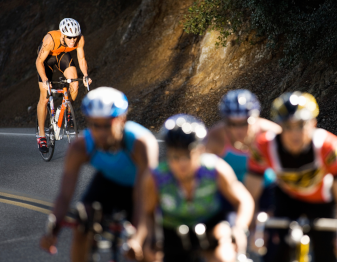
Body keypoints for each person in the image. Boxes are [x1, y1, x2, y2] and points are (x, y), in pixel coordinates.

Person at [39, 87, 158, 262]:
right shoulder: (80, 147)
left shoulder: (141, 144)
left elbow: (143, 196)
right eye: (95, 125)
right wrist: (53, 230)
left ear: (122, 119)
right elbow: (65, 195)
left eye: (107, 125)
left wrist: (137, 238)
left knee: (149, 248)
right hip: (109, 182)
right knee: (82, 221)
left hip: (142, 189)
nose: (101, 132)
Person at [248, 91, 337, 261]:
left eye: (301, 125)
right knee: (273, 254)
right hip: (286, 198)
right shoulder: (263, 147)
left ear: (313, 123)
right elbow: (250, 196)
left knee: (328, 254)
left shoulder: (329, 147)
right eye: (287, 126)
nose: (294, 134)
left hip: (322, 202)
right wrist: (255, 231)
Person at [137, 114, 255, 262]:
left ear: (199, 150)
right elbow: (147, 212)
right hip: (173, 230)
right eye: (175, 156)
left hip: (212, 224)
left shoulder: (216, 169)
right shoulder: (155, 177)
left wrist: (239, 228)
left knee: (223, 257)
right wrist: (149, 239)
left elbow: (243, 200)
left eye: (187, 155)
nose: (181, 163)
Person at [205, 89, 281, 205]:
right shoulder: (215, 137)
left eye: (244, 123)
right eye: (232, 123)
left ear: (255, 118)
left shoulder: (271, 133)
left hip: (267, 190)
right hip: (229, 194)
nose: (238, 130)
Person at [36, 18, 92, 153]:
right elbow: (39, 62)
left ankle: (65, 109)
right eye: (69, 38)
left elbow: (81, 58)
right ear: (62, 34)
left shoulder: (79, 39)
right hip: (46, 58)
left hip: (62, 56)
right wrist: (44, 80)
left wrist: (85, 75)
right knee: (44, 97)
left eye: (75, 37)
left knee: (74, 83)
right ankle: (42, 135)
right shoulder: (50, 39)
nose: (73, 41)